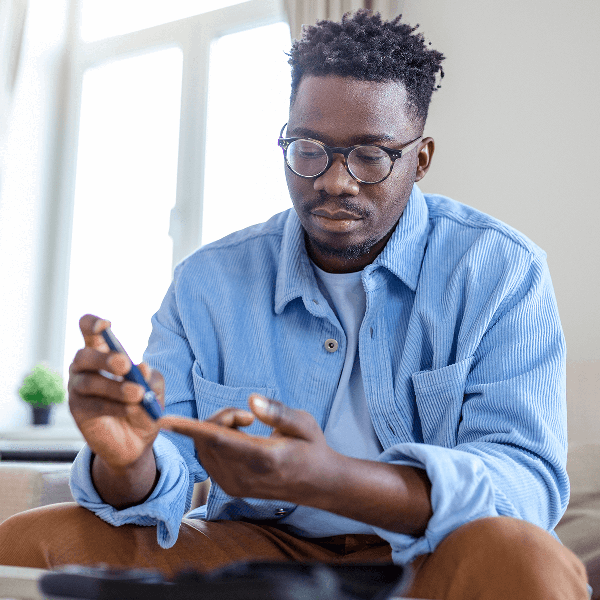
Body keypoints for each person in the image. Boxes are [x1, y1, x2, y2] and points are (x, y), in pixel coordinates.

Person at [0, 10, 590, 599]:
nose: (335, 181)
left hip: (431, 556)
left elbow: (526, 485)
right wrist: (128, 463)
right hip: (256, 552)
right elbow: (162, 478)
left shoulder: (499, 270)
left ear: (422, 158)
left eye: (370, 155)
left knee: (524, 558)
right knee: (31, 541)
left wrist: (336, 481)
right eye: (310, 149)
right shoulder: (209, 282)